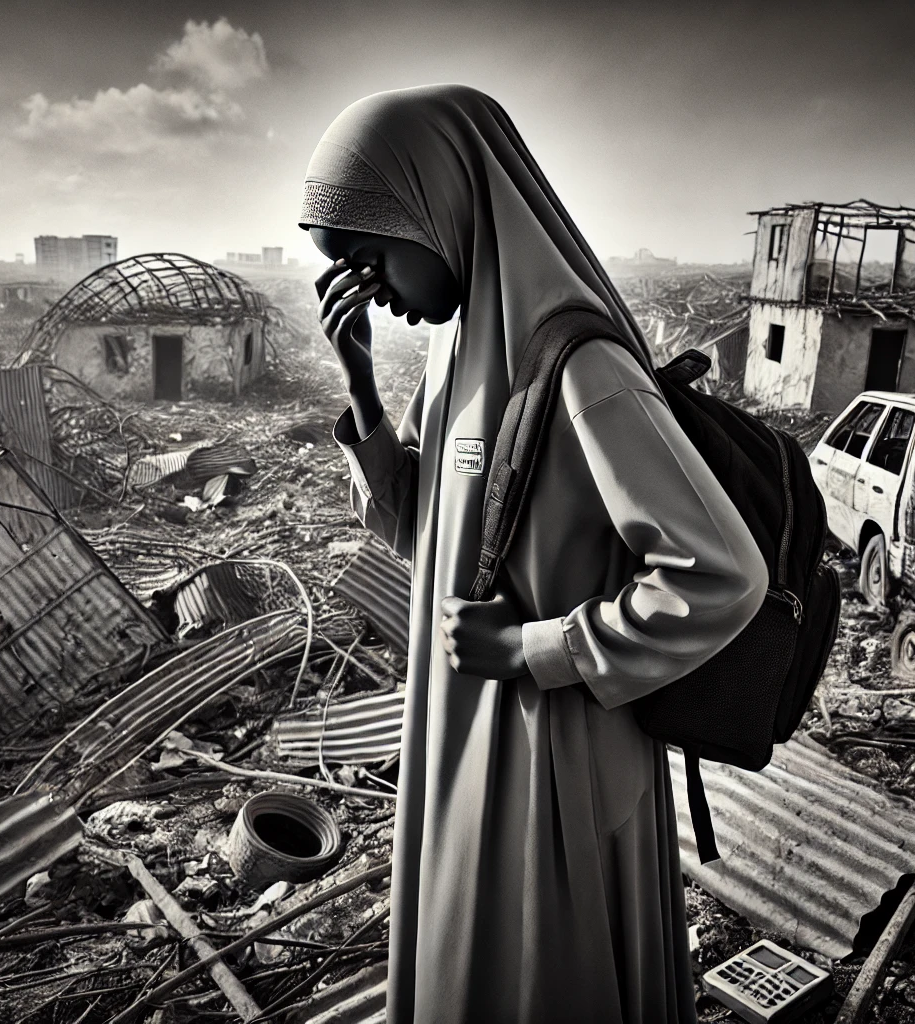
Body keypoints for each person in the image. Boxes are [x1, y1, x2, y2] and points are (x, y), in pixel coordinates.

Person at [299, 84, 768, 1024]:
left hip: (556, 759)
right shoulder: (459, 355)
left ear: (439, 206)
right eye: (337, 266)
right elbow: (430, 540)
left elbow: (723, 575)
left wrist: (531, 650)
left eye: (366, 254)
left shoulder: (581, 369)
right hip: (468, 736)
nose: (362, 285)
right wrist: (361, 392)